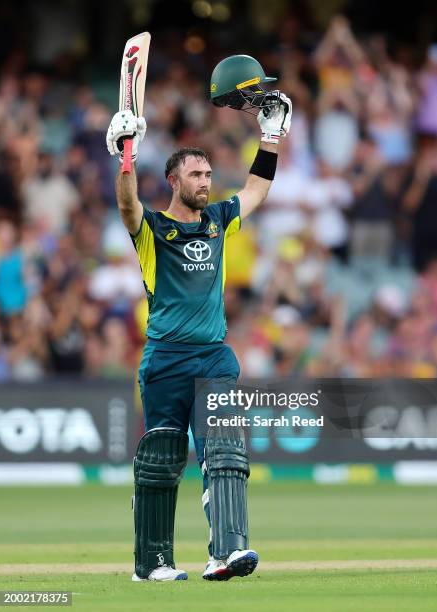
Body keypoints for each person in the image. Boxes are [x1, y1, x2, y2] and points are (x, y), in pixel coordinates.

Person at [106, 56, 291, 582]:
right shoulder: (153, 231)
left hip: (214, 354)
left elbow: (254, 191)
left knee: (226, 451)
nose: (206, 182)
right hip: (166, 358)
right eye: (196, 174)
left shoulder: (218, 221)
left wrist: (271, 138)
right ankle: (153, 563)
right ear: (173, 180)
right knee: (162, 462)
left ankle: (228, 552)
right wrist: (123, 157)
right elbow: (126, 208)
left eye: (209, 174)